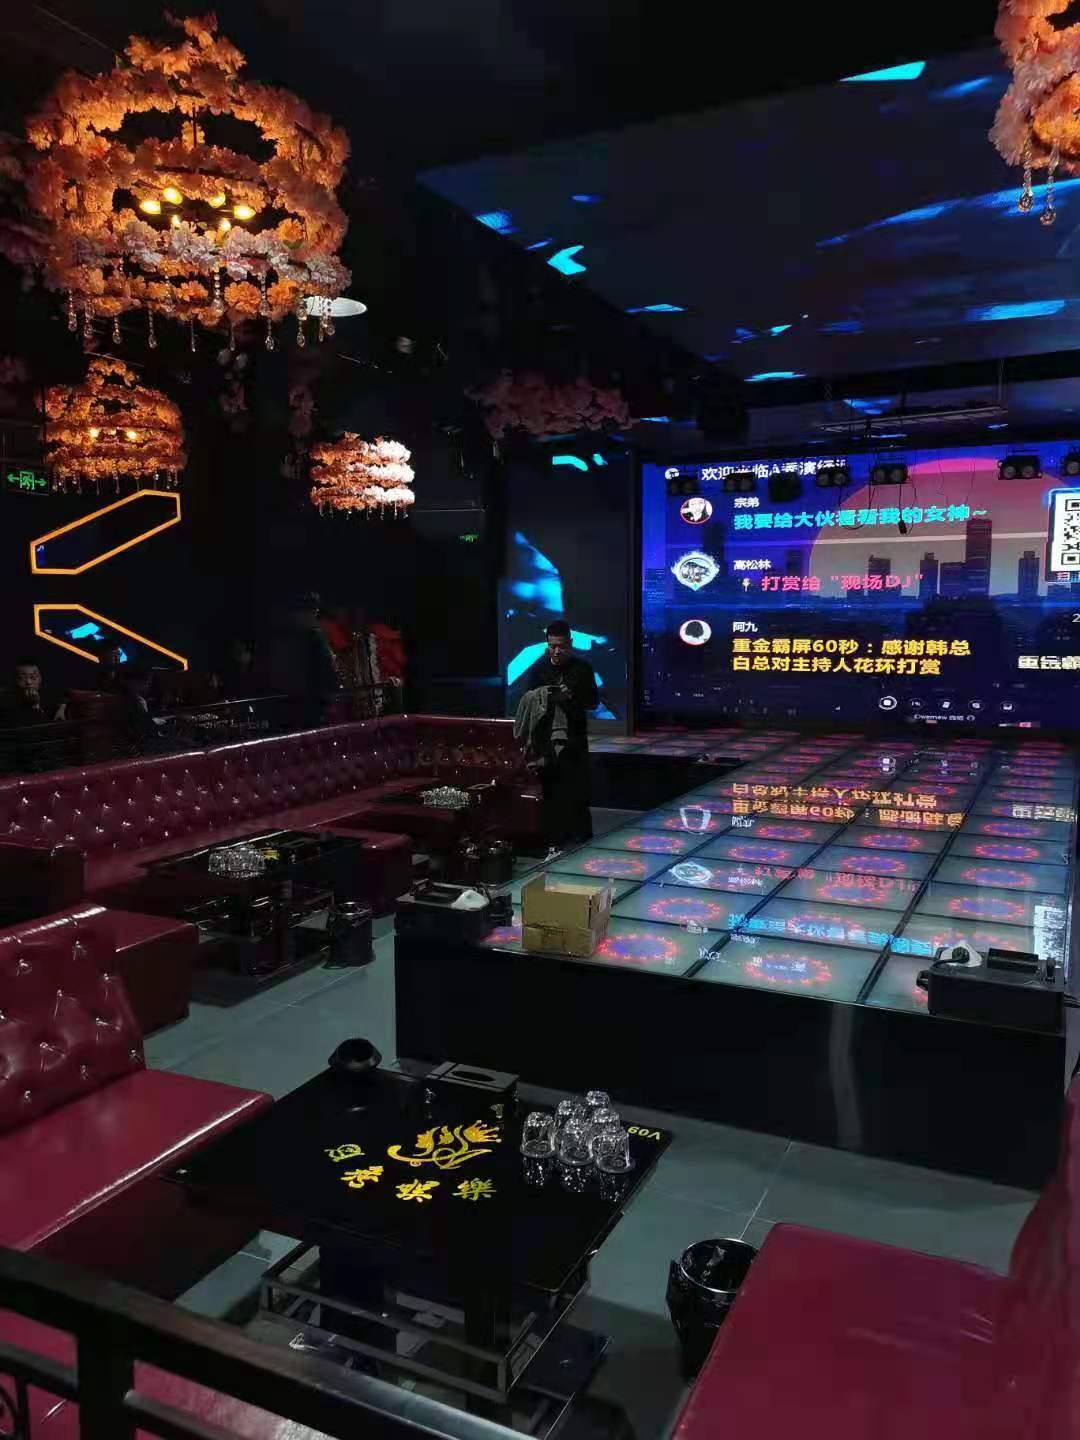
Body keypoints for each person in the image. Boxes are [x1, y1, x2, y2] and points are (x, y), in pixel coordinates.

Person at [514, 619, 599, 847]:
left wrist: (570, 696)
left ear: (570, 643)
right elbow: (527, 702)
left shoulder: (582, 669)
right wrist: (544, 697)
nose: (557, 651)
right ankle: (554, 842)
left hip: (574, 737)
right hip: (546, 740)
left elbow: (593, 702)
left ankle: (582, 842)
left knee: (578, 791)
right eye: (552, 646)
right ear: (547, 644)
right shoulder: (538, 670)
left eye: (561, 646)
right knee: (551, 793)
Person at [264, 593, 341, 726]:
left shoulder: (278, 637)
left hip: (284, 708)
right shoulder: (314, 636)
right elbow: (328, 672)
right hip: (312, 708)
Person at [0, 660, 58, 727]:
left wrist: (63, 706)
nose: (28, 682)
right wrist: (34, 706)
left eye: (33, 677)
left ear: (40, 679)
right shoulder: (5, 700)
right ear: (15, 680)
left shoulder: (49, 695)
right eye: (22, 678)